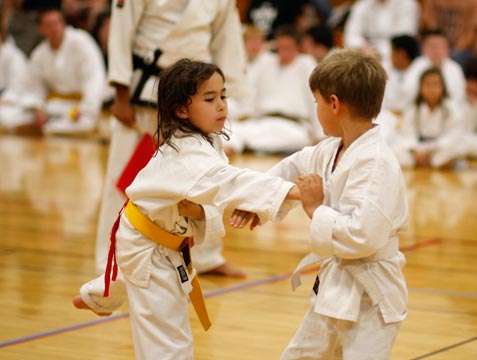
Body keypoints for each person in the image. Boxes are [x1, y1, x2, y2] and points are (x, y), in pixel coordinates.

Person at [73, 59, 300, 360]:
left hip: (152, 235)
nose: (221, 105)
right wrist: (293, 192)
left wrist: (204, 212)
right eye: (209, 99)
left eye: (223, 96)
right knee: (168, 341)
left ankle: (99, 295)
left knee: (137, 280)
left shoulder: (205, 140)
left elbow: (213, 192)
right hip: (148, 245)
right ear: (181, 109)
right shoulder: (187, 153)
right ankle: (103, 293)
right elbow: (229, 183)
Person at [266, 50, 409, 359]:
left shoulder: (376, 164)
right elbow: (288, 171)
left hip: (372, 296)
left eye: (316, 101)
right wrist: (255, 204)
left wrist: (315, 209)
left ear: (333, 103)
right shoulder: (329, 150)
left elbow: (363, 236)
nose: (315, 109)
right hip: (332, 290)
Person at [94, 0, 249, 278]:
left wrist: (225, 93)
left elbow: (227, 37)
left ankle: (206, 255)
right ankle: (113, 261)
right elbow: (121, 29)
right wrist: (120, 90)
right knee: (125, 178)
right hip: (146, 88)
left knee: (202, 174)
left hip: (197, 93)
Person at [0, 7, 106, 135]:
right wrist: (37, 107)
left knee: (85, 123)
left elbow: (95, 78)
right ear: (41, 29)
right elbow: (34, 85)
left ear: (63, 24)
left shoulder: (82, 42)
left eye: (57, 23)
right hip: (56, 106)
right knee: (5, 116)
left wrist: (87, 107)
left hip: (81, 106)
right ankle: (51, 127)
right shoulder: (40, 53)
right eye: (49, 25)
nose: (54, 28)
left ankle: (54, 128)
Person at [225, 25, 321, 155]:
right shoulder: (265, 63)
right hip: (264, 121)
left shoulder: (306, 64)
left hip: (294, 125)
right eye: (280, 48)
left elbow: (315, 99)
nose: (283, 52)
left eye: (288, 48)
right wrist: (243, 115)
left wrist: (319, 135)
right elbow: (251, 95)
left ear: (297, 48)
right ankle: (242, 147)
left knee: (295, 139)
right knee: (232, 130)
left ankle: (250, 146)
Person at [393, 67, 467, 168]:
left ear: (442, 87)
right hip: (418, 150)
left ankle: (429, 162)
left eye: (436, 84)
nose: (432, 89)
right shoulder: (413, 109)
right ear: (421, 88)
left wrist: (431, 150)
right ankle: (430, 163)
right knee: (395, 149)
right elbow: (407, 135)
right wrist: (417, 151)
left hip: (438, 150)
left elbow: (453, 136)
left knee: (458, 147)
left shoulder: (451, 109)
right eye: (428, 85)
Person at [402, 29, 466, 106]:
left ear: (448, 49)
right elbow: (407, 91)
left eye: (440, 46)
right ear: (424, 48)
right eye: (433, 47)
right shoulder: (417, 65)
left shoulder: (455, 68)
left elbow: (460, 95)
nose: (437, 51)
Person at [342, 0, 419, 61]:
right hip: (366, 55)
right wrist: (364, 48)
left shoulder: (408, 4)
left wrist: (376, 52)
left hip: (396, 57)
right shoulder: (362, 5)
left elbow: (405, 39)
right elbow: (350, 35)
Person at [421, 0, 477, 67]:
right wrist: (440, 47)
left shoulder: (476, 1)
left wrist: (454, 50)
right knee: (423, 55)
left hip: (466, 47)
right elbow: (431, 27)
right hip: (439, 44)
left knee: (457, 57)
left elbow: (474, 31)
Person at [381, 34, 420, 114]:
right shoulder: (387, 69)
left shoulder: (421, 71)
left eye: (392, 52)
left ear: (402, 54)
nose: (390, 57)